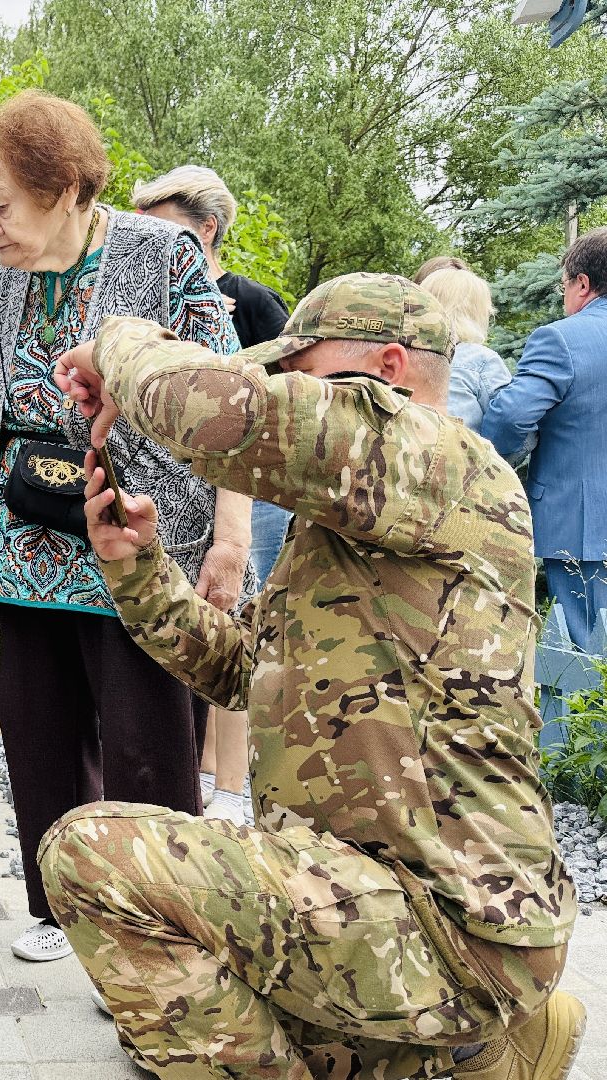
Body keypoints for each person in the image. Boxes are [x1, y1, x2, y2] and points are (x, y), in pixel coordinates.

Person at [46, 273, 583, 1079]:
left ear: (391, 369)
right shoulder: (348, 530)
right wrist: (139, 570)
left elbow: (220, 409)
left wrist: (116, 342)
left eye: (308, 380)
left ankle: (453, 1034)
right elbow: (239, 672)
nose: (293, 400)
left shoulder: (444, 460)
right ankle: (480, 1057)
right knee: (163, 1015)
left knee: (90, 856)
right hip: (375, 899)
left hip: (441, 921)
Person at [0, 90, 250, 964]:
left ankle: (170, 931)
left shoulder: (161, 253)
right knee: (40, 738)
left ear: (63, 190)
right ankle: (66, 914)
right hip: (31, 544)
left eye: (1, 207)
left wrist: (231, 542)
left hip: (135, 547)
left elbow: (231, 398)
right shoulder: (17, 271)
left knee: (148, 752)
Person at [133, 164, 288, 825]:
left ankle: (232, 794)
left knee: (231, 632)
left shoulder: (250, 303)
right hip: (158, 500)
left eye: (166, 232)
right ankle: (189, 779)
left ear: (207, 229)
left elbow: (283, 401)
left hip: (234, 495)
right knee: (176, 636)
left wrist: (238, 523)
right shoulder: (141, 303)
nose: (154, 247)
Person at [483, 227, 607, 650]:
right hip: (586, 526)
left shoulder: (562, 340)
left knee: (582, 665)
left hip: (584, 530)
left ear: (583, 284)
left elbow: (512, 416)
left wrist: (500, 460)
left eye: (565, 285)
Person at [419, 265, 511, 432]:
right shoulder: (480, 360)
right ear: (478, 311)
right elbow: (511, 421)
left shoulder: (405, 356)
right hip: (464, 455)